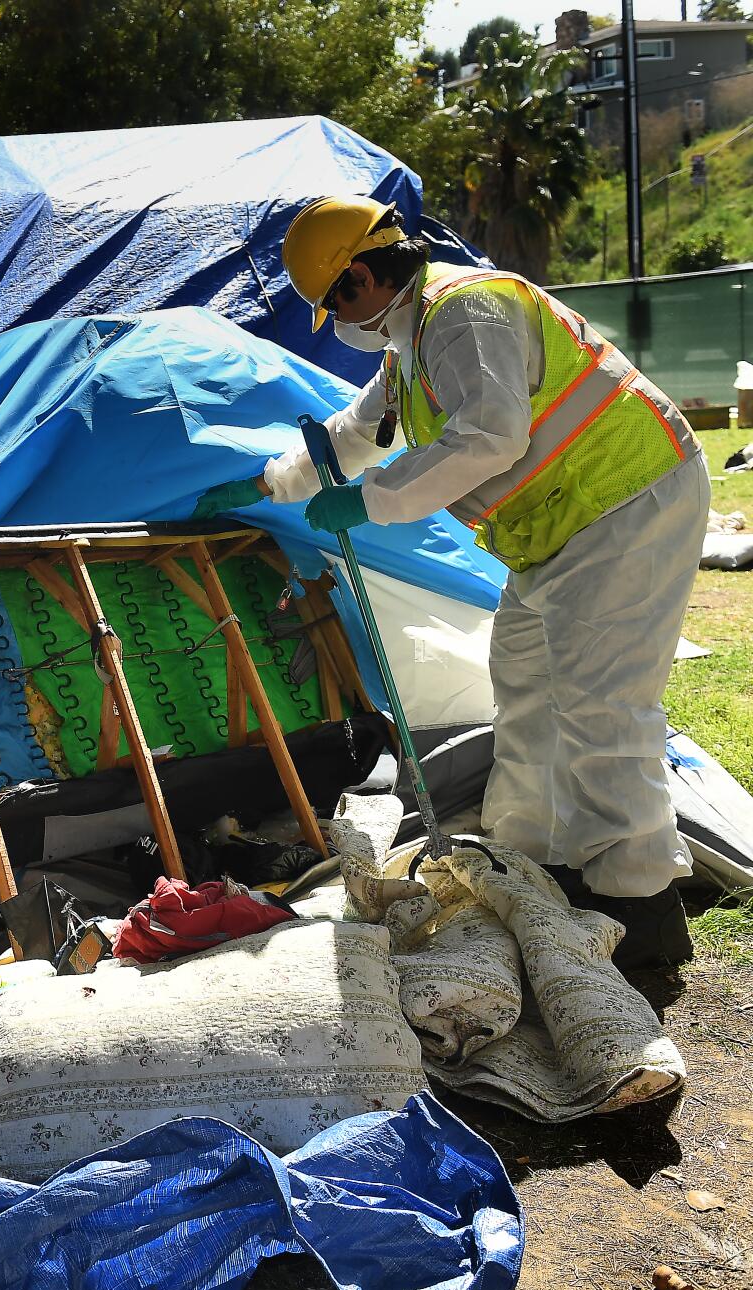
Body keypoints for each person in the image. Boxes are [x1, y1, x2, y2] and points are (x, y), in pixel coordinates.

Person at [195, 195, 707, 969]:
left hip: (626, 498)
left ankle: (641, 913)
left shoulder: (465, 314)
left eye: (333, 302)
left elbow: (489, 438)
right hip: (564, 525)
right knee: (527, 684)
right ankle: (536, 863)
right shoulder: (414, 343)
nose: (337, 322)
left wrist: (367, 502)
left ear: (362, 277)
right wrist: (272, 484)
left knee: (603, 708)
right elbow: (356, 434)